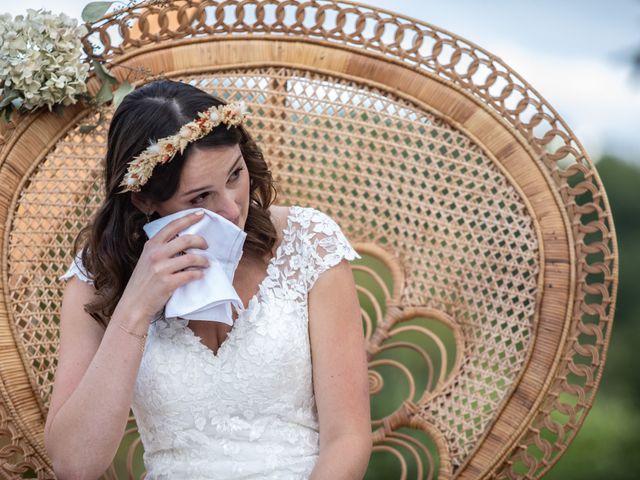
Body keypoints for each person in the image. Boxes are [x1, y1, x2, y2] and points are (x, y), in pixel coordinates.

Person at [44, 79, 372, 479]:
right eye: (200, 198)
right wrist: (135, 307)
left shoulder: (309, 242)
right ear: (144, 200)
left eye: (235, 175)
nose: (233, 209)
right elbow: (74, 466)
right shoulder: (98, 276)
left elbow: (348, 438)